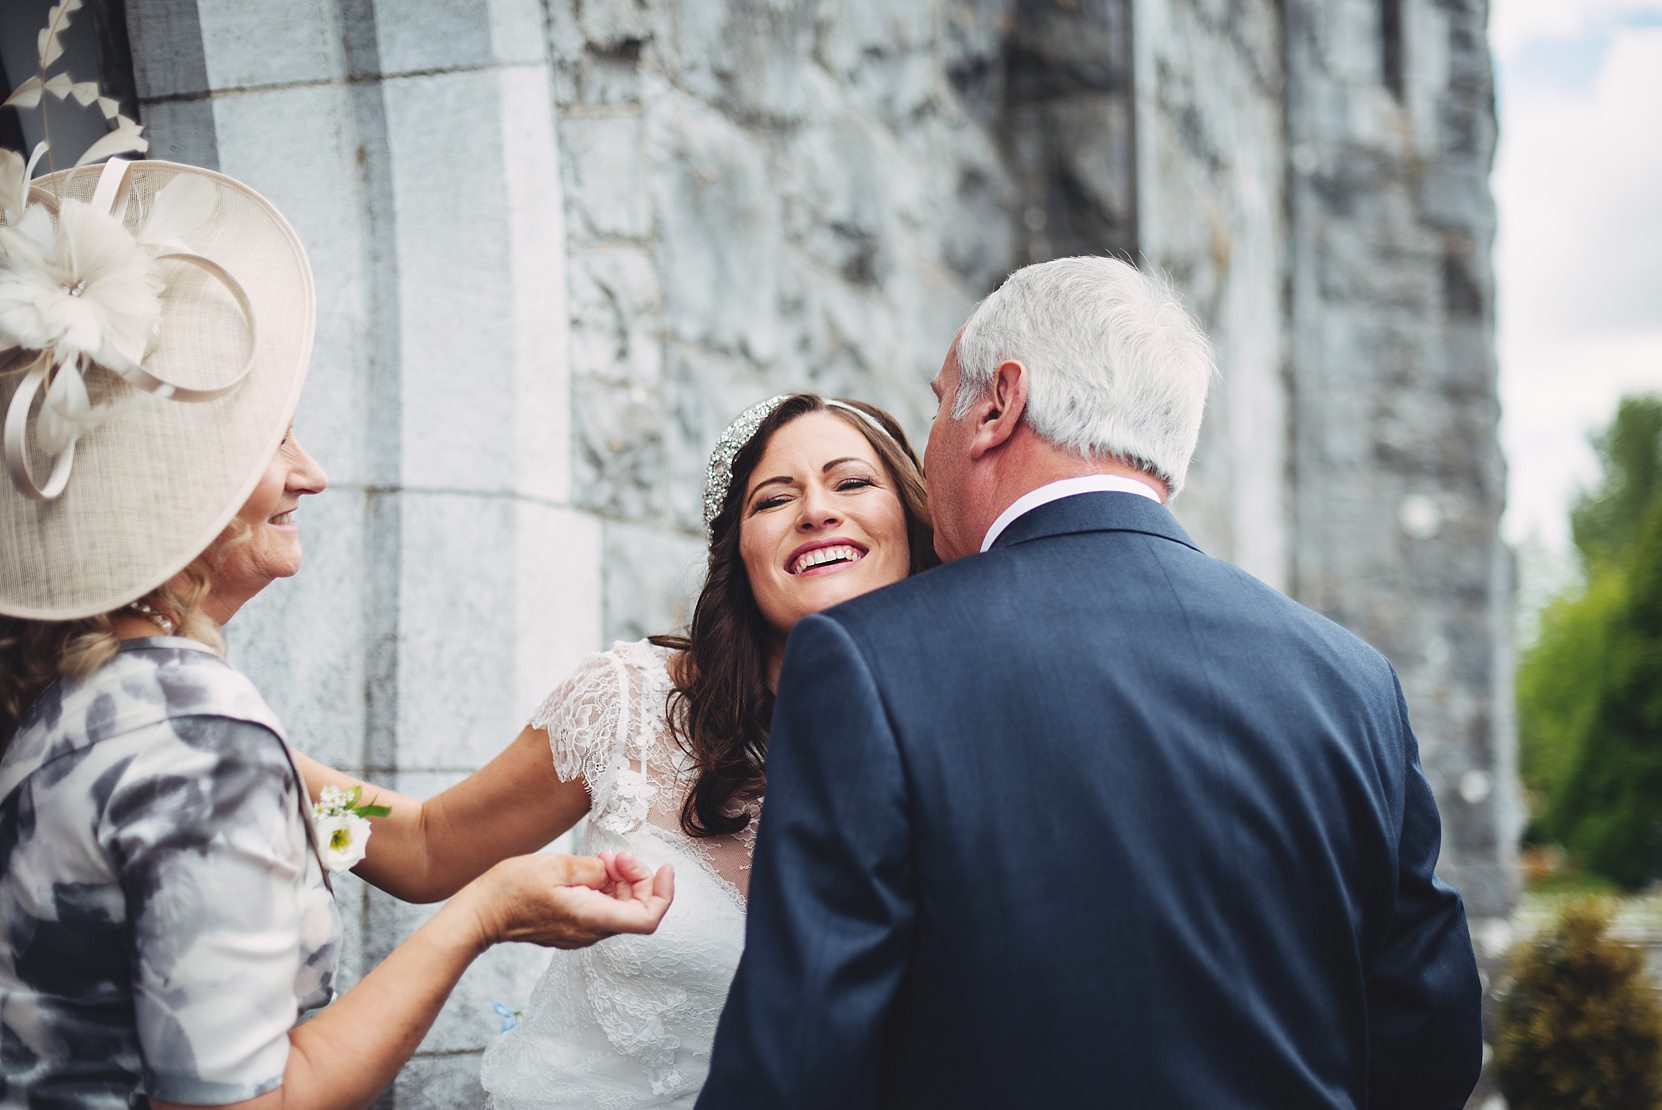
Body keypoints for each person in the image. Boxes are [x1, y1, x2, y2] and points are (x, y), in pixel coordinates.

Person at [698, 257, 1485, 1108]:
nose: (928, 446)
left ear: (998, 405)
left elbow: (796, 1065)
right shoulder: (1354, 681)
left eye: (937, 404)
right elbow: (1431, 1043)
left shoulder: (868, 658)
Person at [0, 152, 671, 1110]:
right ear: (189, 486)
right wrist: (482, 919)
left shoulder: (89, 695)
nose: (311, 474)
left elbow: (417, 844)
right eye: (275, 439)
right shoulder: (197, 737)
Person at [292, 393, 937, 1107]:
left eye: (851, 482)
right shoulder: (631, 705)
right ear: (740, 555)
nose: (817, 509)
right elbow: (422, 847)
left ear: (911, 517)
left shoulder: (966, 727)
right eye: (775, 498)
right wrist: (251, 763)